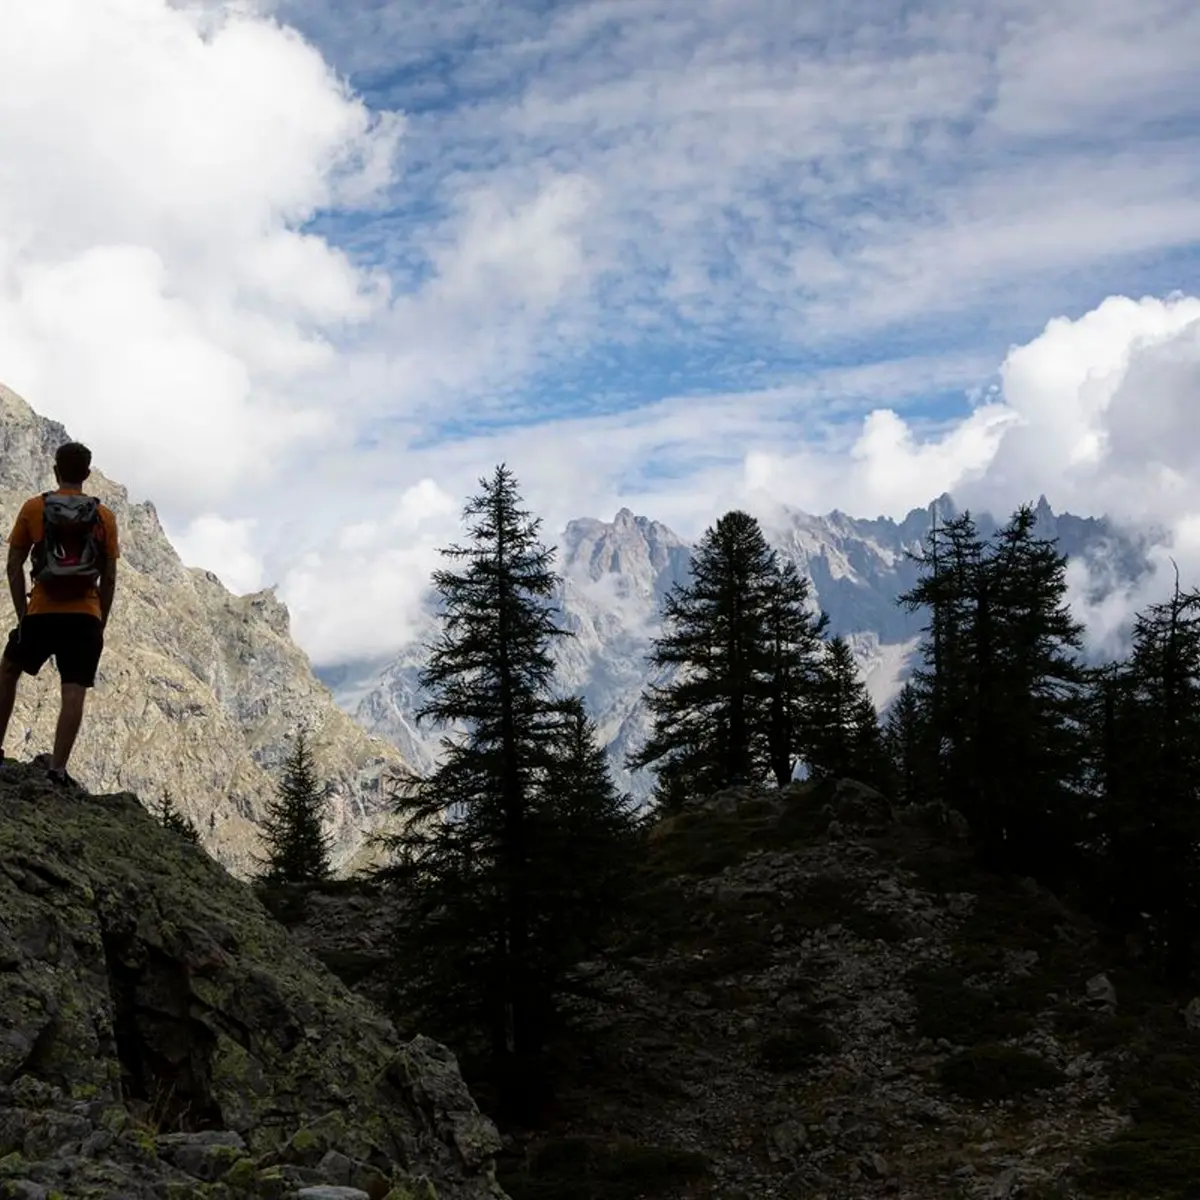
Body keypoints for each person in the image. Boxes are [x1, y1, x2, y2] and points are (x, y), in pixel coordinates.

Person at [0, 442, 119, 787]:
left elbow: (13, 566)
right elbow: (109, 576)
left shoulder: (34, 508)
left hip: (41, 611)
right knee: (73, 691)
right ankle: (57, 769)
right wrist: (101, 620)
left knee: (8, 671)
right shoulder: (104, 516)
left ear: (56, 470)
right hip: (85, 616)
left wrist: (24, 615)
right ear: (86, 474)